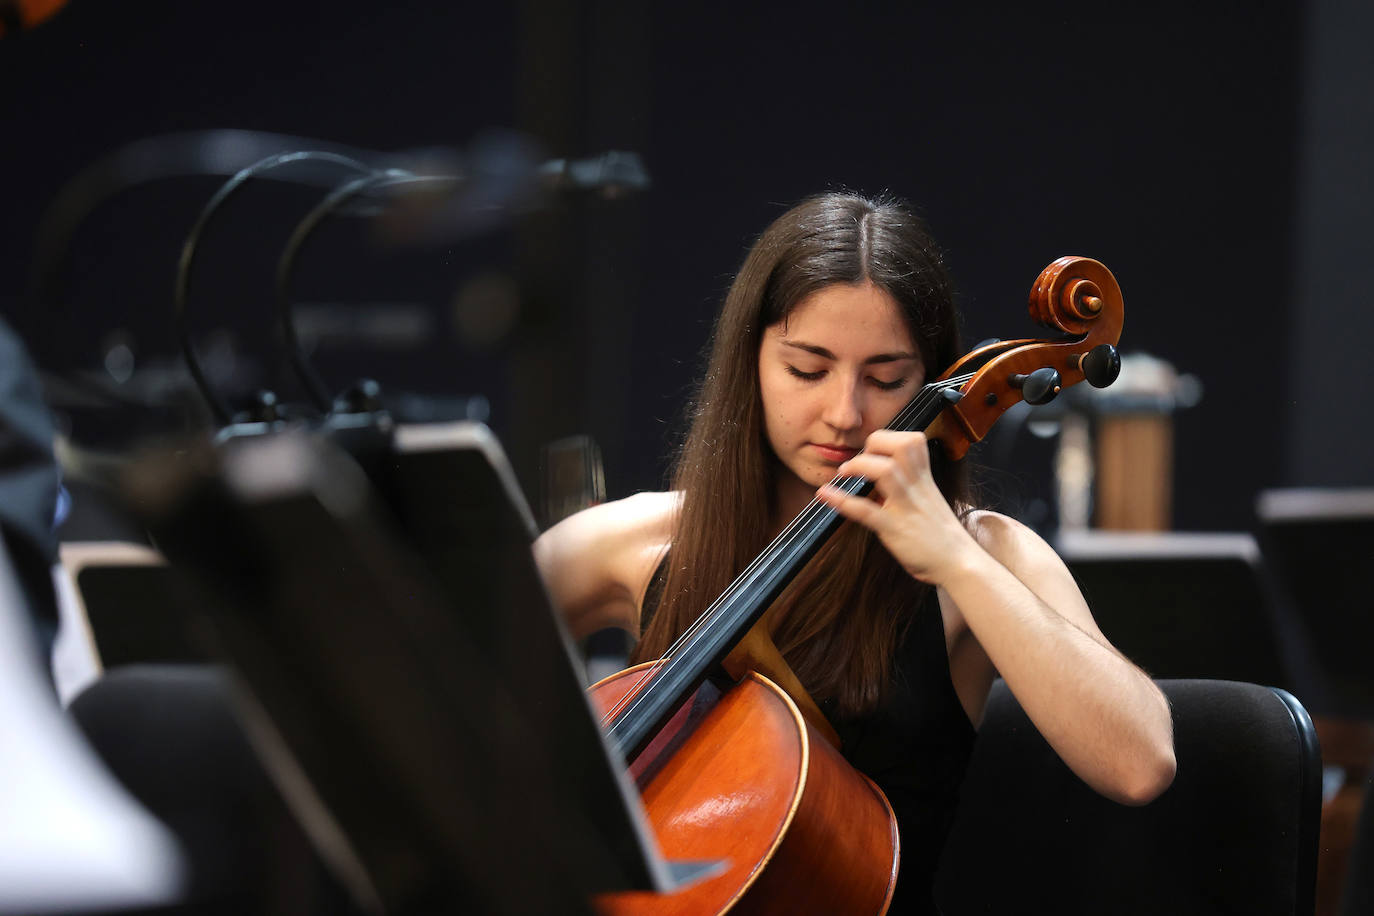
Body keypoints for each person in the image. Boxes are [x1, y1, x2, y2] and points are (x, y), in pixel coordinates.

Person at [533, 191, 1176, 913]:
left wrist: (953, 560)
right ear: (750, 365)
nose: (844, 412)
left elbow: (1140, 761)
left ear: (931, 382)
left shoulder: (982, 554)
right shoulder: (642, 543)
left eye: (885, 379)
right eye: (807, 370)